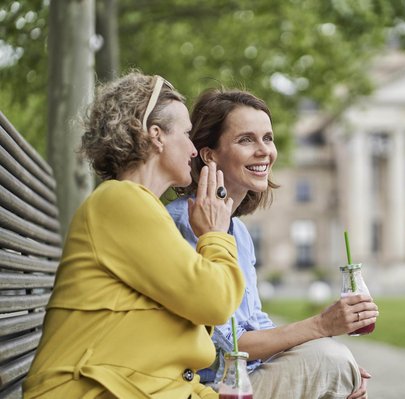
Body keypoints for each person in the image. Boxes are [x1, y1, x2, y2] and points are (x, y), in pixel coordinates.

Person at [23, 72, 245, 398]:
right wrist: (215, 233)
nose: (194, 150)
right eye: (186, 134)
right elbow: (215, 301)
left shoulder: (138, 208)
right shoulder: (121, 201)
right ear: (156, 135)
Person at [167, 88, 379, 399]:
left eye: (268, 138)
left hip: (244, 379)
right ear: (209, 155)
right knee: (331, 361)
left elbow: (255, 324)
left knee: (334, 362)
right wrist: (322, 326)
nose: (264, 150)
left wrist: (326, 361)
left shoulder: (237, 231)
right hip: (206, 389)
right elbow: (230, 348)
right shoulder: (182, 225)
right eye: (246, 139)